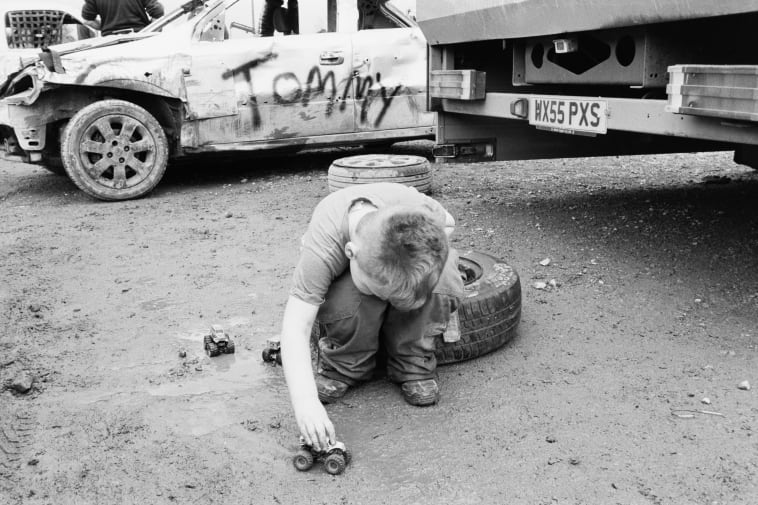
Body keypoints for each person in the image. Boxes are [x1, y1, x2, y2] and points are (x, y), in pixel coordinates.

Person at [280, 182, 464, 451]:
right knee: (350, 295)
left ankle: (412, 359)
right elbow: (296, 326)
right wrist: (306, 405)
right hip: (344, 275)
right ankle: (346, 363)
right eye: (385, 295)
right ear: (350, 253)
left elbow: (448, 223)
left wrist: (429, 263)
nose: (389, 304)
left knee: (444, 274)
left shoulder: (419, 210)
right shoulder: (324, 246)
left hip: (388, 248)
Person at [81, 0, 165, 36]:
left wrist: (105, 27)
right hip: (138, 36)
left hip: (110, 42)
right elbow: (158, 11)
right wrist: (150, 32)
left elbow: (87, 20)